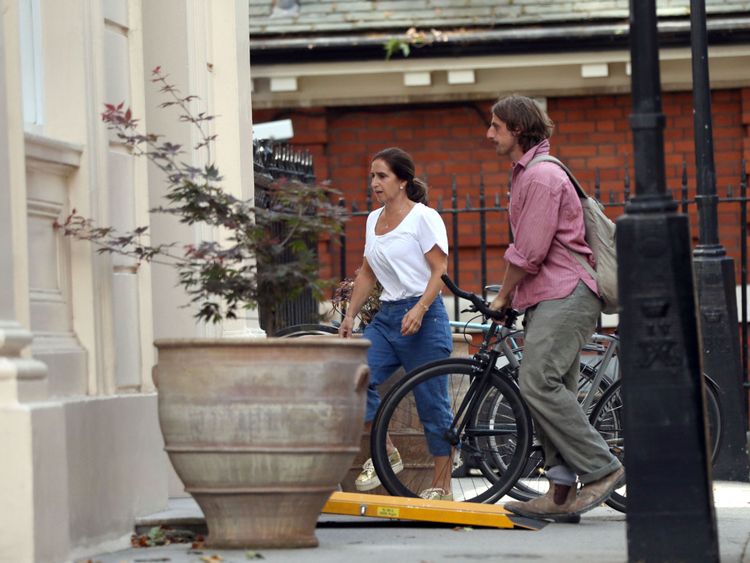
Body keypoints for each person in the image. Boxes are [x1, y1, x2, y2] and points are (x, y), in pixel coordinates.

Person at [485, 95, 624, 522]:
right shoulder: (527, 175)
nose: (488, 133)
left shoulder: (542, 177)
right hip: (551, 297)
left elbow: (528, 252)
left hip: (565, 294)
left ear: (518, 130)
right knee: (553, 388)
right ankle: (561, 493)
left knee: (537, 382)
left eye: (496, 126)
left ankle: (602, 468)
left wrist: (503, 296)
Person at [338, 147, 454, 501]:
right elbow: (368, 273)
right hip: (388, 318)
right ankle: (385, 450)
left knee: (432, 404)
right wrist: (349, 315)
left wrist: (419, 309)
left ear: (402, 181)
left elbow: (440, 271)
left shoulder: (424, 218)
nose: (374, 183)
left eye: (382, 176)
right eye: (372, 176)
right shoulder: (373, 220)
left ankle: (442, 486)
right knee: (354, 378)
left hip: (424, 317)